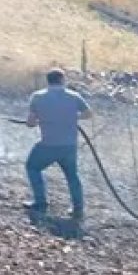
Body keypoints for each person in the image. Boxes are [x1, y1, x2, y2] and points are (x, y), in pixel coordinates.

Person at [25, 69, 93, 222]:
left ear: (48, 81)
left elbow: (30, 123)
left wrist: (38, 120)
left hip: (48, 144)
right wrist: (73, 117)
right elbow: (89, 114)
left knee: (32, 167)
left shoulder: (37, 97)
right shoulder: (74, 96)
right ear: (62, 80)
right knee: (72, 176)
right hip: (69, 145)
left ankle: (40, 202)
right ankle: (78, 209)